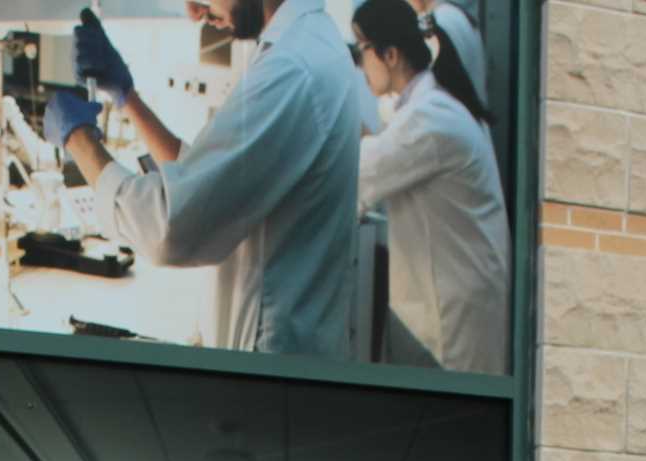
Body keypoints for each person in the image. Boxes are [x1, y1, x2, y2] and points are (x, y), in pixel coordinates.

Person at [56, 1, 366, 357]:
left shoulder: (292, 68)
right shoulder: (308, 44)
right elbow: (215, 182)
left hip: (268, 370)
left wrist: (76, 138)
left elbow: (170, 228)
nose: (194, 11)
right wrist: (127, 97)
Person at [352, 1, 510, 372]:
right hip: (450, 306)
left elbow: (355, 177)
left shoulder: (432, 117)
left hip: (451, 322)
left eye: (361, 51)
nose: (360, 67)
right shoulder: (431, 108)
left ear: (390, 55)